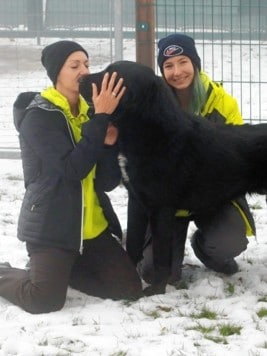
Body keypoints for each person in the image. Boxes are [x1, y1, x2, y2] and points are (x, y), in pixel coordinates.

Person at [0, 40, 143, 314]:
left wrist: (110, 145)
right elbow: (72, 169)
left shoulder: (88, 112)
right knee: (44, 300)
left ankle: (63, 270)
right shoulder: (39, 117)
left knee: (129, 289)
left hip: (91, 228)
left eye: (87, 64)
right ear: (57, 73)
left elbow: (105, 182)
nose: (84, 71)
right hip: (53, 228)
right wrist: (100, 119)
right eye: (74, 65)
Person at [126, 33, 256, 286]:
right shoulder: (149, 106)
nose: (177, 72)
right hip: (166, 205)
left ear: (195, 63)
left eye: (183, 62)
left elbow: (237, 155)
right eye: (168, 66)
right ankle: (140, 240)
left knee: (227, 243)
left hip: (211, 197)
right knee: (156, 273)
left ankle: (204, 247)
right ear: (162, 71)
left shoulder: (221, 102)